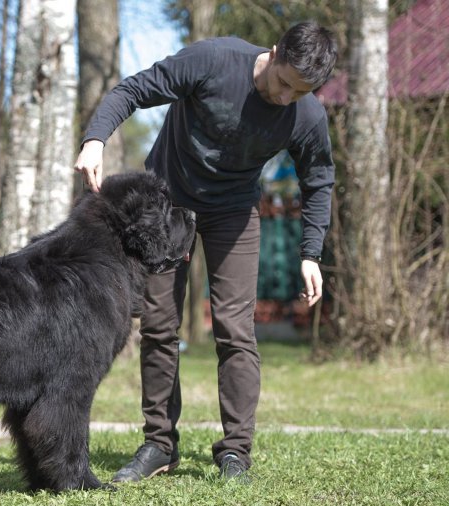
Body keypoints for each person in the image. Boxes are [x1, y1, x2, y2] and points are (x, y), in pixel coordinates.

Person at [75, 22, 337, 482]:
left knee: (236, 332)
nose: (285, 98)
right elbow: (133, 90)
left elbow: (319, 180)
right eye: (283, 83)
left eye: (300, 93)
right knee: (158, 324)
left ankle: (235, 452)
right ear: (274, 53)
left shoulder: (306, 115)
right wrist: (95, 138)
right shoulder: (213, 61)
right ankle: (159, 444)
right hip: (167, 203)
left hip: (233, 213)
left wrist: (310, 253)